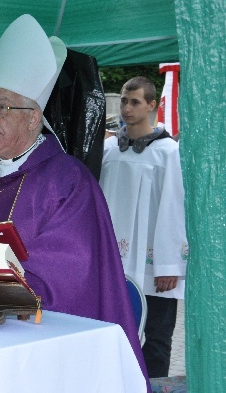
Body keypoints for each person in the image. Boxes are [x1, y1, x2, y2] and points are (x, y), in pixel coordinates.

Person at [0, 14, 150, 386]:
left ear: (33, 119)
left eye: (2, 107)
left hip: (39, 344)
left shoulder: (68, 179)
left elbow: (71, 270)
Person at [99, 76, 187, 378]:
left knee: (156, 340)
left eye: (135, 101)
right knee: (113, 334)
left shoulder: (167, 152)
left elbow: (174, 208)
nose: (127, 107)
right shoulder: (109, 149)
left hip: (152, 264)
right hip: (113, 260)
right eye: (124, 100)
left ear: (152, 105)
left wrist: (168, 264)